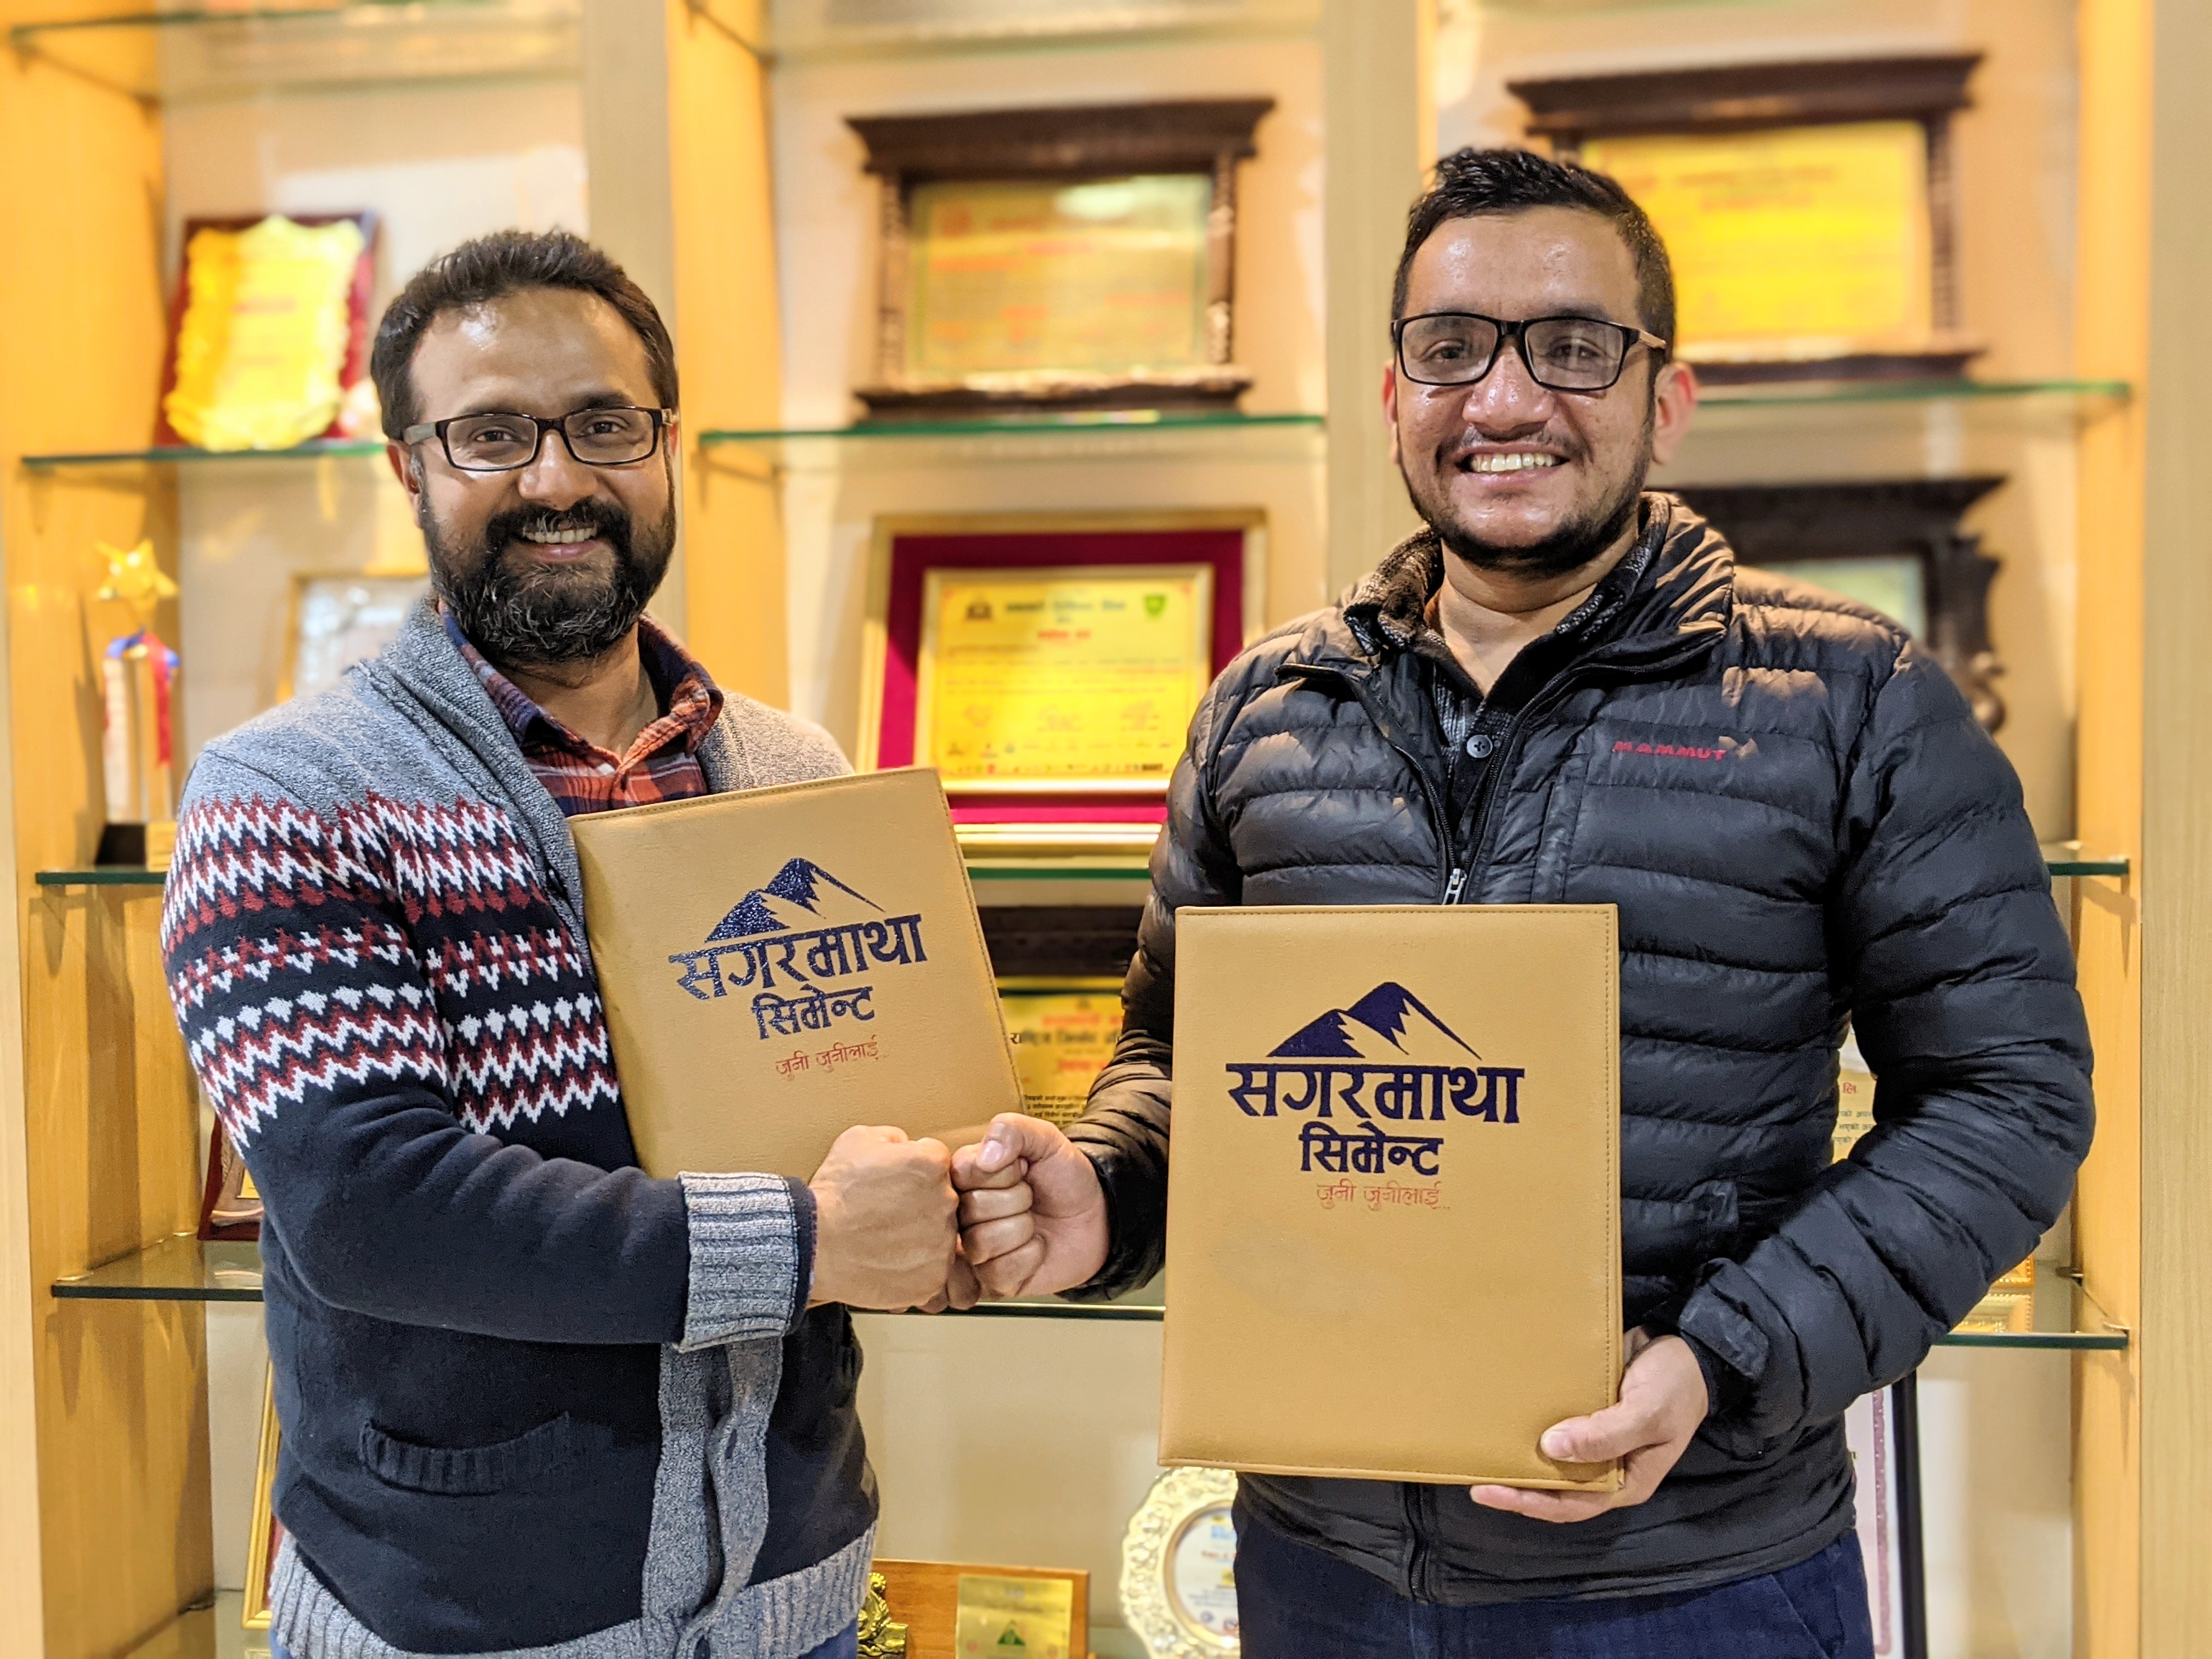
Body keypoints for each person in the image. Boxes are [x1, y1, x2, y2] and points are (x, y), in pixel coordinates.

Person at [952, 149, 2094, 1657]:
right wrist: (1107, 1190)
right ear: (1393, 396)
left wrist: (1721, 1361)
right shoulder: (1266, 711)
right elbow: (1181, 1063)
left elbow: (2008, 1098)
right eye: (1451, 348)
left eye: (1572, 346)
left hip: (1691, 1581)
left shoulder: (1853, 699)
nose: (1503, 398)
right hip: (1317, 1565)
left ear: (1665, 399)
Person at [160, 230, 968, 1659]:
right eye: (492, 435)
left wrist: (980, 1189)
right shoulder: (286, 793)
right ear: (409, 467)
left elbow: (883, 1118)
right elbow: (372, 1209)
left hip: (799, 1602)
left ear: (668, 446)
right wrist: (812, 1242)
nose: (556, 479)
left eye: (604, 424)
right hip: (456, 1625)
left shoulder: (794, 773)